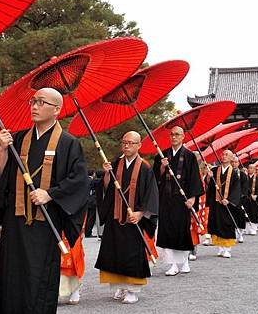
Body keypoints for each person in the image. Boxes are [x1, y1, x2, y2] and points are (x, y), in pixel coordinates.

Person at [0, 88, 88, 314]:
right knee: (16, 273)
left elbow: (79, 182)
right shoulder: (18, 138)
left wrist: (51, 194)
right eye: (32, 101)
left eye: (41, 102)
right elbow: (3, 176)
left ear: (56, 110)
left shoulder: (68, 143)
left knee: (39, 274)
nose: (34, 106)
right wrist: (2, 151)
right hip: (17, 220)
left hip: (46, 223)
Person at [95, 131, 158, 303]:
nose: (127, 146)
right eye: (124, 142)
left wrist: (141, 213)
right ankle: (119, 286)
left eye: (131, 143)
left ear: (139, 145)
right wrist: (107, 173)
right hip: (116, 216)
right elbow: (106, 188)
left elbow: (151, 194)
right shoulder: (115, 164)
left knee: (132, 254)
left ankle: (132, 290)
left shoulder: (145, 167)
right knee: (115, 252)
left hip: (133, 219)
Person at [153, 126, 203, 276]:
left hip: (182, 200)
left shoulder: (189, 156)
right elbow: (155, 178)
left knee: (181, 230)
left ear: (183, 137)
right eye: (172, 135)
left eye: (177, 135)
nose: (174, 137)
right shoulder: (162, 156)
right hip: (166, 199)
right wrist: (162, 167)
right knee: (167, 231)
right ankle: (172, 264)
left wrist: (193, 197)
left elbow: (195, 178)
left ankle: (184, 261)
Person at [206, 149, 241, 258]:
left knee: (227, 224)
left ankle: (227, 249)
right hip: (216, 202)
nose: (224, 156)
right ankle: (220, 247)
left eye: (227, 155)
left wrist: (229, 200)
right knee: (217, 223)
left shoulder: (235, 173)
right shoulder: (215, 169)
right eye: (223, 154)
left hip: (227, 204)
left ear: (231, 158)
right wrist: (208, 177)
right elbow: (210, 186)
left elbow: (236, 188)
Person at [85, 170, 98, 237]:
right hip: (92, 201)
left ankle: (86, 231)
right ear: (93, 174)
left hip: (86, 200)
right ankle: (88, 232)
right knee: (91, 218)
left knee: (87, 217)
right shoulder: (93, 181)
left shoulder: (85, 180)